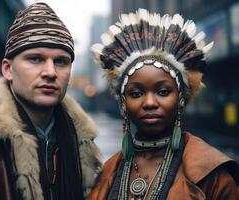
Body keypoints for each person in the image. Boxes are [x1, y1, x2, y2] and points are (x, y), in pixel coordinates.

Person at [0, 2, 102, 200]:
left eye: (61, 61)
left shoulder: (84, 145)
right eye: (35, 59)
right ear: (7, 69)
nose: (50, 72)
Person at [87, 8, 239, 200]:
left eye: (163, 92)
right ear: (124, 103)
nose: (150, 103)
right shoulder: (105, 173)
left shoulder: (214, 176)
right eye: (136, 93)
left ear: (181, 98)